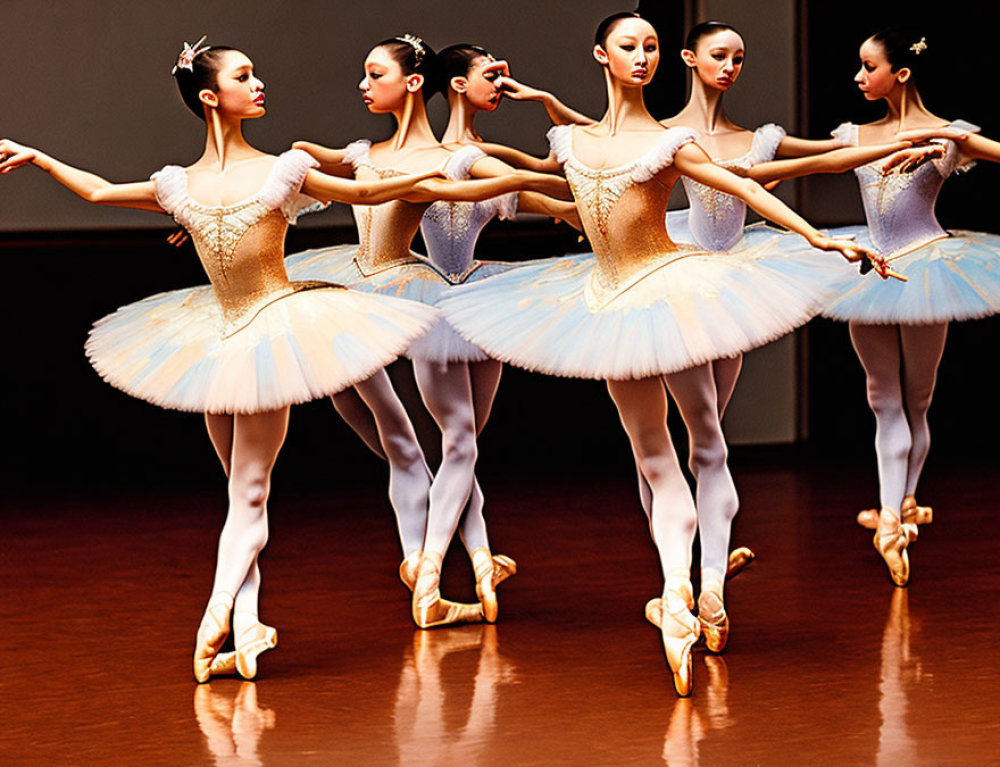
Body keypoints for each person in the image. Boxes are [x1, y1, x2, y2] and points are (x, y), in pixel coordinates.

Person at [0, 39, 485, 682]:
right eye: (244, 76)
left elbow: (364, 194)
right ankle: (243, 626)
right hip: (229, 343)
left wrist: (447, 174)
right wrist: (42, 158)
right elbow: (97, 192)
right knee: (244, 495)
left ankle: (218, 616)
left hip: (260, 339)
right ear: (210, 97)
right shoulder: (189, 184)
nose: (259, 84)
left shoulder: (259, 173)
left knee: (246, 496)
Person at [440, 12, 888, 696]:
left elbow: (741, 186)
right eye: (630, 46)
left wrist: (822, 238)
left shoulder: (666, 139)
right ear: (602, 55)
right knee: (661, 454)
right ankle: (684, 592)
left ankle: (696, 590)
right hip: (613, 301)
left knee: (701, 445)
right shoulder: (571, 141)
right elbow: (567, 182)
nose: (643, 56)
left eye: (651, 46)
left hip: (671, 291)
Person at [287, 34, 573, 628]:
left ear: (416, 83)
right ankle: (446, 565)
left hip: (457, 294)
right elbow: (304, 162)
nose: (363, 86)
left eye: (374, 74)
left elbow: (540, 185)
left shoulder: (457, 157)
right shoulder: (371, 152)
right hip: (390, 293)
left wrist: (585, 189)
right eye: (488, 76)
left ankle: (449, 564)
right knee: (445, 445)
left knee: (454, 447)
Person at [821, 28, 1000, 586]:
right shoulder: (854, 134)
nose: (857, 77)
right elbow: (804, 164)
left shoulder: (949, 134)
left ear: (899, 74)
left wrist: (938, 145)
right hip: (871, 267)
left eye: (867, 67)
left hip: (929, 266)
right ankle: (892, 519)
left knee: (917, 400)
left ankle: (901, 502)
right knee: (882, 397)